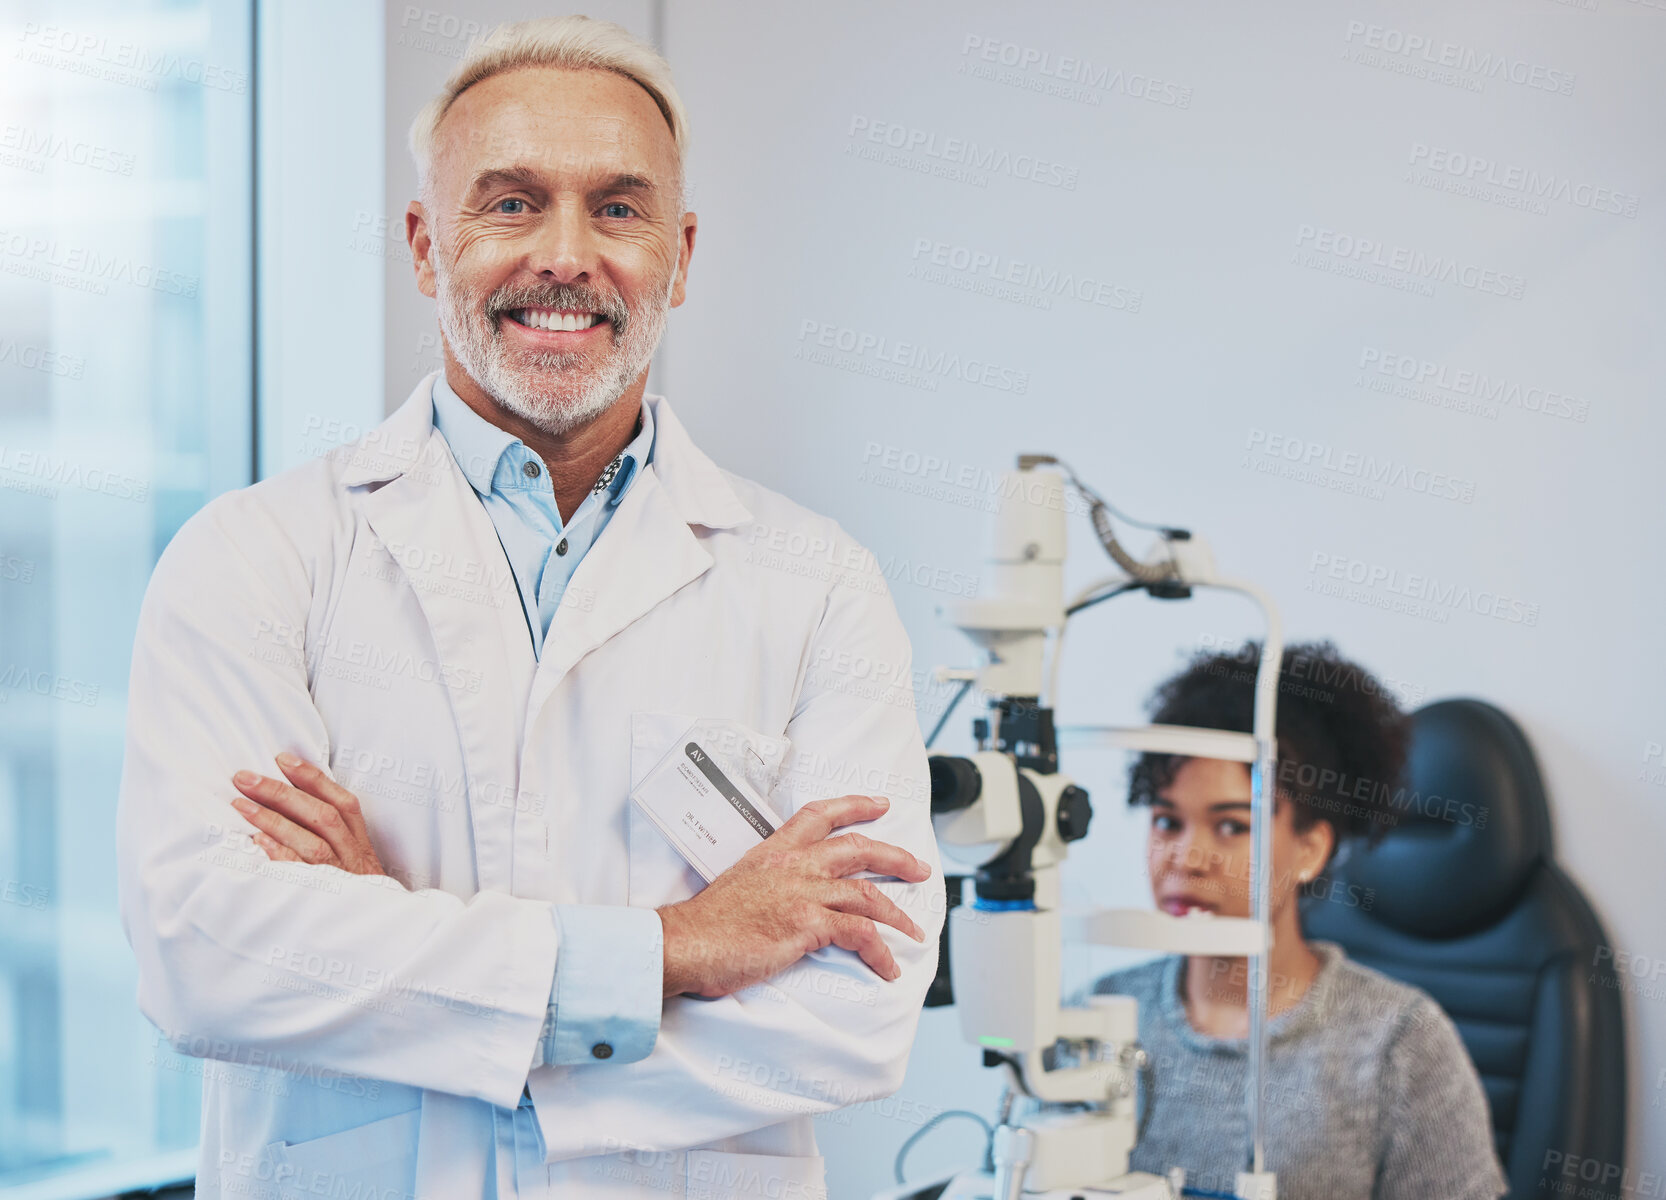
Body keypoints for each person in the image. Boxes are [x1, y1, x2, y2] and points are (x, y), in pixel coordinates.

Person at [115, 15, 942, 1199]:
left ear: (682, 253)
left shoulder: (818, 586)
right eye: (509, 203)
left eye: (617, 208)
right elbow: (209, 958)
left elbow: (857, 1012)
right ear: (421, 243)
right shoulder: (255, 558)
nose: (565, 255)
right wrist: (679, 948)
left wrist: (397, 968)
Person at [1090, 639, 1508, 1200]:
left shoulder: (1397, 1044)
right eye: (1167, 821)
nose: (1186, 858)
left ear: (1309, 850)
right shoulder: (1097, 1017)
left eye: (1232, 826)